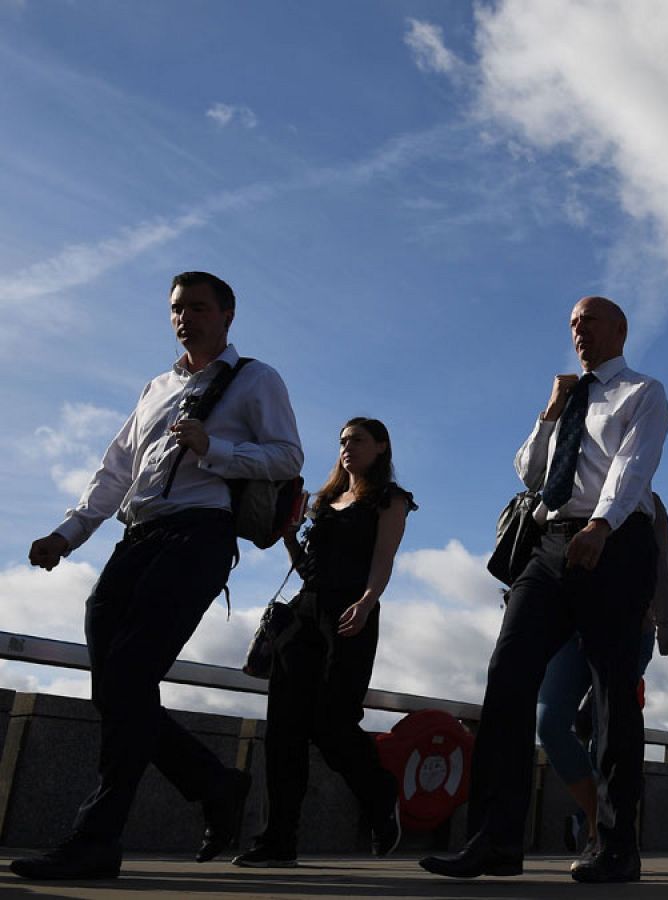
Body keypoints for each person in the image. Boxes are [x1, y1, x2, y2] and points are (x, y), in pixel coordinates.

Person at [13, 272, 303, 880]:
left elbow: (287, 455)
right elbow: (115, 468)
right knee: (117, 687)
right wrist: (68, 535)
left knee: (129, 674)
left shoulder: (255, 379)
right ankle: (213, 782)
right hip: (135, 539)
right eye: (176, 308)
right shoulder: (158, 385)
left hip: (198, 535)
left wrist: (214, 450)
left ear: (227, 314)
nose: (184, 318)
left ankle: (96, 840)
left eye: (197, 307)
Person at [420, 296, 668, 884]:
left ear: (620, 329)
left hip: (615, 540)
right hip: (549, 544)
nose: (579, 331)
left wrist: (601, 526)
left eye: (590, 321)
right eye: (572, 324)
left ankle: (615, 844)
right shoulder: (568, 398)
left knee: (612, 693)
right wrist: (549, 413)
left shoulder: (642, 392)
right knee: (508, 676)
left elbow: (633, 468)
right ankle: (495, 841)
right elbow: (530, 473)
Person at [232, 417, 414, 866]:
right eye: (341, 441)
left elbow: (382, 559)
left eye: (356, 440)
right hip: (303, 616)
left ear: (381, 446)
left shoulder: (390, 500)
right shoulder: (324, 501)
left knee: (332, 724)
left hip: (350, 615)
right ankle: (278, 839)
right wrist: (289, 537)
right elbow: (306, 568)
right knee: (284, 731)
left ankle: (379, 794)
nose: (346, 447)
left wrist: (369, 600)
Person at [539, 493, 668, 856]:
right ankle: (593, 818)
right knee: (550, 720)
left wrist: (667, 622)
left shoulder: (647, 502)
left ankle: (605, 835)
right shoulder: (567, 487)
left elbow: (661, 562)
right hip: (570, 625)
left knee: (609, 728)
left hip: (633, 626)